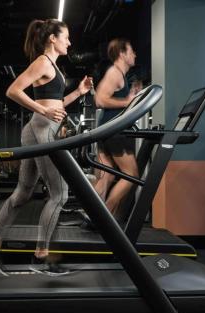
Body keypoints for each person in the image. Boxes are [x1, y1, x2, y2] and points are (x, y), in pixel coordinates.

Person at [0, 18, 93, 272]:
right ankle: (41, 256)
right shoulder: (42, 61)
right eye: (66, 37)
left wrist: (79, 93)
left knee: (23, 193)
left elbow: (56, 103)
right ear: (53, 38)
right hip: (42, 132)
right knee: (59, 194)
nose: (70, 42)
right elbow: (13, 90)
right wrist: (43, 110)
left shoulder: (53, 66)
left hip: (35, 129)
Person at [93, 38, 141, 219]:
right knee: (131, 175)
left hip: (108, 129)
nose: (134, 54)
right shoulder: (115, 73)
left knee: (107, 177)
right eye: (131, 51)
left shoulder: (120, 75)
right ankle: (104, 217)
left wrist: (130, 96)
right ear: (122, 54)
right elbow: (99, 99)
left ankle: (93, 215)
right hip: (115, 132)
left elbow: (116, 100)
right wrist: (127, 101)